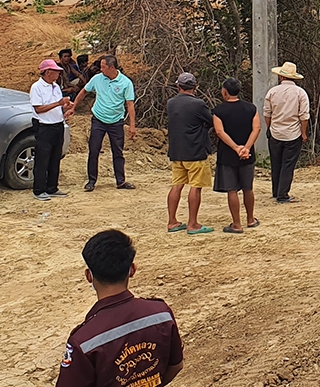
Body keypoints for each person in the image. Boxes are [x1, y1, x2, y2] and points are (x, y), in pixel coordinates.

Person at [57, 230, 183, 387]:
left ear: (89, 276)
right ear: (132, 270)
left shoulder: (83, 340)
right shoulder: (161, 313)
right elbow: (176, 365)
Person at [71, 55, 136, 191]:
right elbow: (84, 91)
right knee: (93, 150)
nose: (101, 69)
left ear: (112, 67)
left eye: (103, 67)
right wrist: (73, 107)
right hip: (98, 119)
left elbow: (130, 104)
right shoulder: (97, 79)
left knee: (117, 151)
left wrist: (132, 126)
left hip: (116, 121)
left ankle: (121, 181)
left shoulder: (125, 82)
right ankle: (91, 181)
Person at [165, 73, 214, 235]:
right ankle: (193, 223)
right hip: (195, 151)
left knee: (177, 185)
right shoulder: (198, 104)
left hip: (177, 151)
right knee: (195, 186)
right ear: (195, 87)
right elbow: (211, 121)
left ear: (178, 86)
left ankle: (172, 221)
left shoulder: (171, 103)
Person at [213, 78, 261, 233]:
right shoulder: (251, 108)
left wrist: (235, 148)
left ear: (224, 91)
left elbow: (220, 132)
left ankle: (237, 224)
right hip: (247, 155)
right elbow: (257, 128)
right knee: (248, 188)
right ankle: (251, 219)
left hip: (227, 155)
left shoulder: (218, 111)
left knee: (232, 190)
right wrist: (246, 148)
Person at [263, 61, 310, 204]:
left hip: (275, 132)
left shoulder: (272, 92)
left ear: (282, 77)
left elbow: (267, 113)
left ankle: (276, 191)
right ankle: (283, 194)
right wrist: (303, 133)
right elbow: (304, 116)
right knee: (288, 164)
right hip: (293, 133)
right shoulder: (300, 93)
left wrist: (270, 127)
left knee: (275, 163)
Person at [30, 59, 73, 201]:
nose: (58, 74)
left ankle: (52, 187)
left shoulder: (55, 86)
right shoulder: (37, 87)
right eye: (56, 72)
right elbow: (38, 108)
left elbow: (57, 106)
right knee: (42, 158)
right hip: (44, 126)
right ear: (48, 72)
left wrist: (64, 107)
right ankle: (39, 189)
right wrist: (58, 103)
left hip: (57, 124)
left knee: (55, 157)